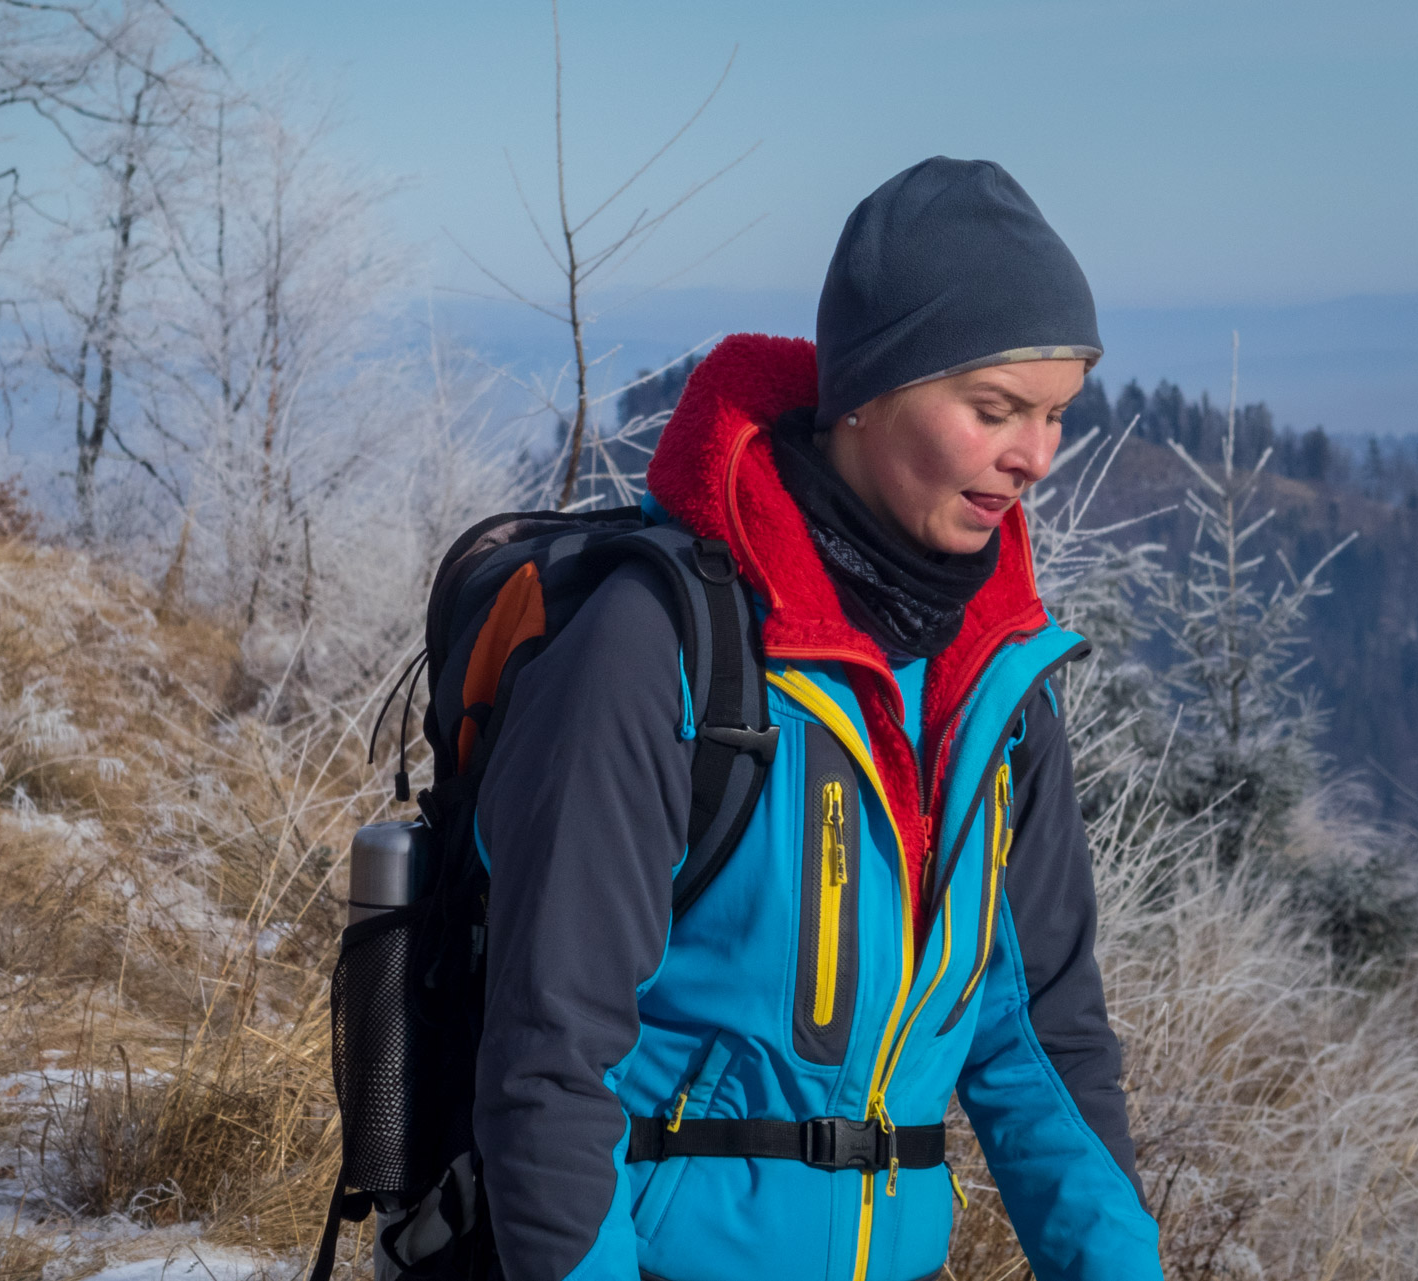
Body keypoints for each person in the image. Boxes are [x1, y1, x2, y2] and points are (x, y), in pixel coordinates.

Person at [470, 158, 1164, 1281]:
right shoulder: (662, 647)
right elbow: (553, 1061)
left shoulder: (997, 679)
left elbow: (1039, 1041)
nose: (1034, 457)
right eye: (994, 410)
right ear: (867, 391)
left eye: (1055, 416)